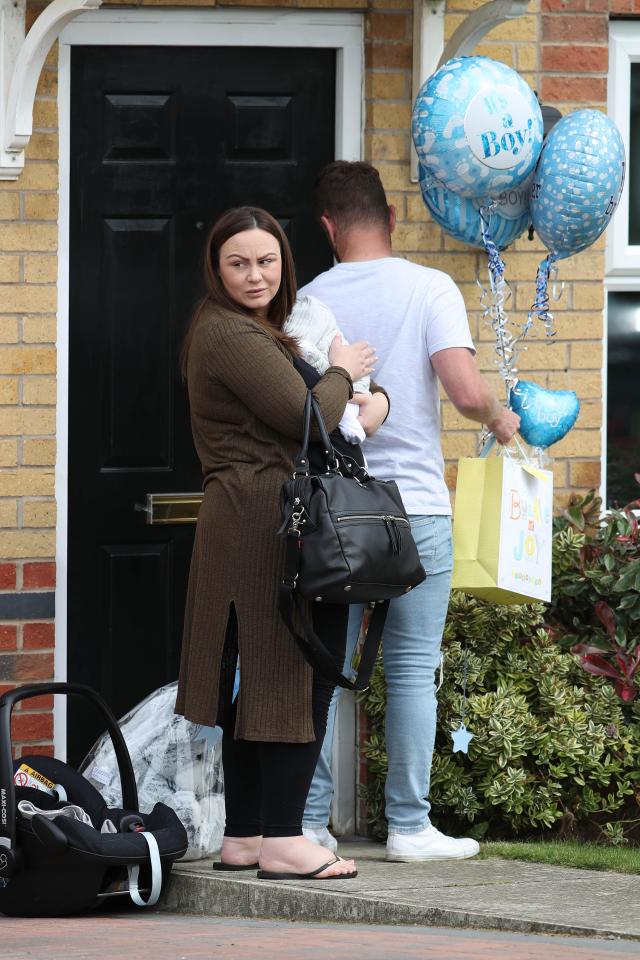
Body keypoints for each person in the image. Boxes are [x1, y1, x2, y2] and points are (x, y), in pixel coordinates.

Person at [299, 162, 521, 862]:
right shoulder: (430, 287)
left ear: (327, 228)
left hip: (336, 512)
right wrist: (501, 416)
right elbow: (461, 391)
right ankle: (409, 827)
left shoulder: (306, 300)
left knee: (323, 669)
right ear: (391, 217)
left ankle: (306, 820)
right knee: (413, 667)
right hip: (417, 510)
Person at [174, 206, 389, 880]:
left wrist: (358, 397)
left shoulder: (250, 329)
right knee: (299, 670)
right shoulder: (231, 334)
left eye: (266, 261)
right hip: (268, 519)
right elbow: (309, 418)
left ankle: (245, 835)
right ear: (216, 269)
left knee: (266, 674)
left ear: (284, 264)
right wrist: (345, 371)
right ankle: (285, 838)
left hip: (256, 514)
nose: (255, 274)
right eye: (238, 262)